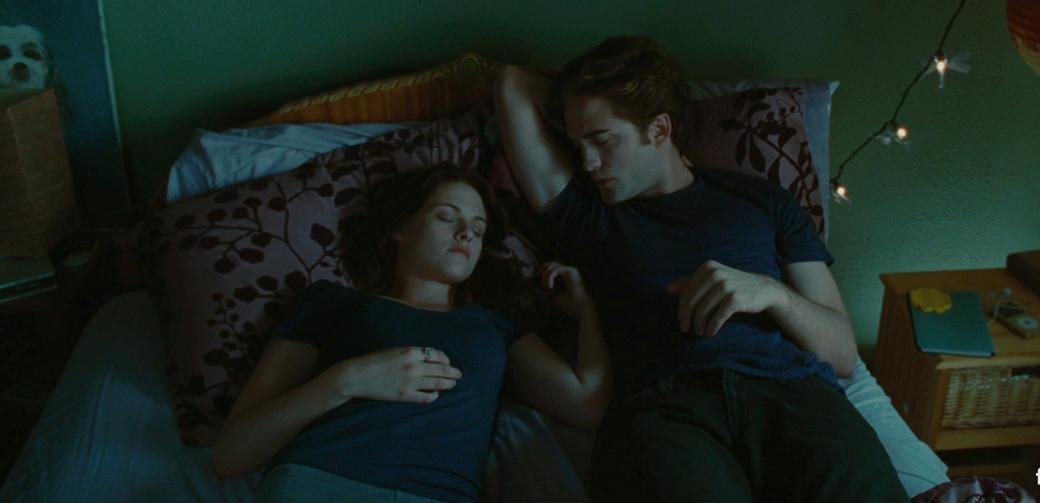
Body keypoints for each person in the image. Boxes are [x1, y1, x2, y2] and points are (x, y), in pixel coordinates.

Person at [495, 37, 909, 502]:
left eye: (602, 140)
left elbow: (842, 354)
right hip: (665, 407)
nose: (588, 163)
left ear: (659, 129)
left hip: (792, 393)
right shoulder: (587, 213)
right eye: (577, 144)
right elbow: (512, 83)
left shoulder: (762, 200)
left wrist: (770, 293)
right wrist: (584, 102)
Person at [210, 164, 610, 503]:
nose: (466, 233)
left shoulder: (494, 324)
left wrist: (587, 309)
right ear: (401, 227)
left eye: (478, 228)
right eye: (447, 217)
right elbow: (232, 454)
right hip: (320, 483)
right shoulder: (332, 303)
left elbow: (587, 404)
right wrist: (346, 380)